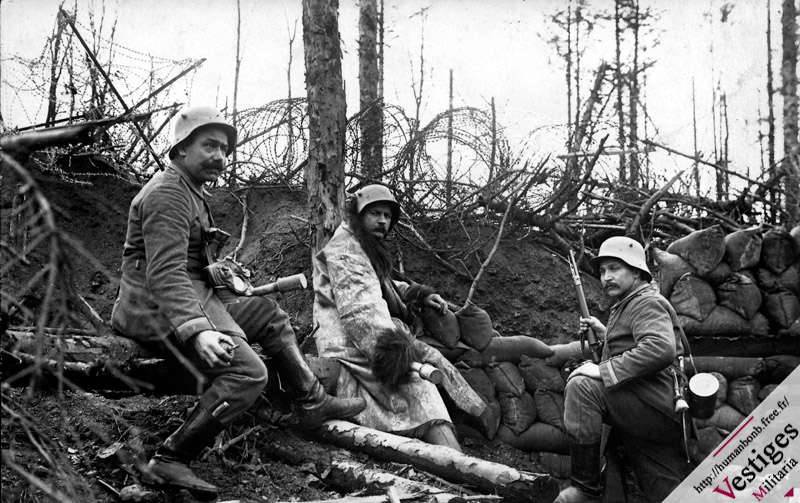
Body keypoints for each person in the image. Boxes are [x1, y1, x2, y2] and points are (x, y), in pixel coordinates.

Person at [110, 106, 365, 498]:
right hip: (153, 310)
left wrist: (217, 275)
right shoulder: (167, 194)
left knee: (267, 314)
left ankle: (311, 401)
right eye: (209, 145)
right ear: (179, 148)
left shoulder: (189, 191)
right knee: (249, 373)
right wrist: (198, 333)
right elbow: (164, 274)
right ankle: (171, 458)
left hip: (188, 297)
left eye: (225, 149)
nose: (220, 156)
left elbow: (190, 264)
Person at [312, 184, 486, 452]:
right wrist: (394, 353)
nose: (383, 221)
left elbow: (380, 283)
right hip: (350, 342)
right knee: (419, 386)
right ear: (359, 215)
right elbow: (361, 311)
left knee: (434, 359)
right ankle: (458, 462)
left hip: (371, 332)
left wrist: (417, 294)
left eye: (387, 216)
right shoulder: (345, 249)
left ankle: (476, 423)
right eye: (375, 213)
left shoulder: (361, 244)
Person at [553, 236, 694, 503]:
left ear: (637, 271)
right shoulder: (631, 302)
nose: (606, 277)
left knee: (582, 386)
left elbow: (659, 349)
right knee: (668, 493)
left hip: (654, 404)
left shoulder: (645, 302)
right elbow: (635, 344)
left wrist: (602, 371)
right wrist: (604, 333)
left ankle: (585, 488)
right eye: (603, 270)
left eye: (615, 268)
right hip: (652, 411)